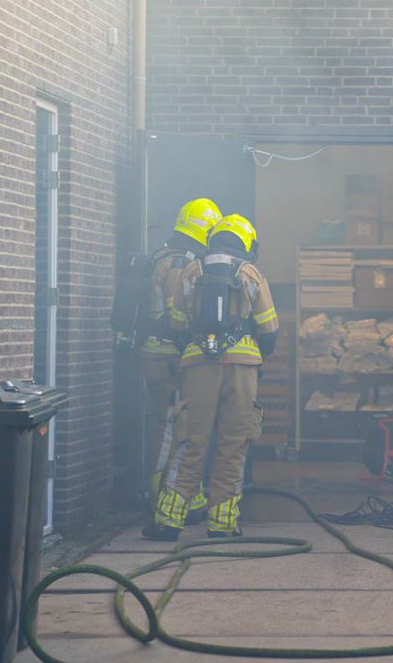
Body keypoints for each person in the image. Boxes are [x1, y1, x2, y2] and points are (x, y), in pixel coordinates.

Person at [146, 214, 278, 540]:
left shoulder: (193, 270)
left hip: (198, 365)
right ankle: (222, 523)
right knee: (233, 444)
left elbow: (176, 324)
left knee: (190, 440)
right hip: (242, 368)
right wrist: (253, 354)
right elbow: (269, 329)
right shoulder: (251, 273)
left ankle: (169, 520)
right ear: (246, 242)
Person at [142, 198, 222, 502]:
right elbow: (177, 314)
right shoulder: (180, 262)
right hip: (169, 355)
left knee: (173, 423)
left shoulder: (165, 254)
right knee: (171, 426)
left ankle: (176, 489)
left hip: (161, 354)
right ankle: (165, 494)